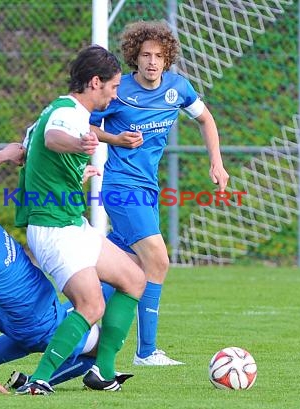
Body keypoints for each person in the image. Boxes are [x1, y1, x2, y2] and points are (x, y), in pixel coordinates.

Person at [0, 144, 132, 395]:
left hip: (25, 317)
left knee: (100, 290)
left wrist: (0, 157)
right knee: (99, 349)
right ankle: (33, 381)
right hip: (39, 322)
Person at [90, 20, 230, 366]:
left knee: (121, 268)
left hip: (147, 189)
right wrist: (116, 139)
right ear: (134, 58)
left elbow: (206, 119)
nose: (152, 62)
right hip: (121, 187)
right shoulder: (118, 90)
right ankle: (146, 351)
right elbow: (88, 124)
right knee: (158, 260)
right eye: (145, 55)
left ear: (168, 60)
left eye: (159, 56)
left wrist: (217, 163)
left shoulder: (178, 89)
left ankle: (69, 321)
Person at [13, 45, 147, 395]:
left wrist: (111, 140)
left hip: (71, 224)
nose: (115, 94)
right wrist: (78, 146)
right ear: (94, 82)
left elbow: (44, 139)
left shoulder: (67, 110)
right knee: (91, 305)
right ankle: (38, 381)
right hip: (55, 230)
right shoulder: (64, 114)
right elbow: (53, 138)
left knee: (134, 278)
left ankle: (101, 371)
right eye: (114, 87)